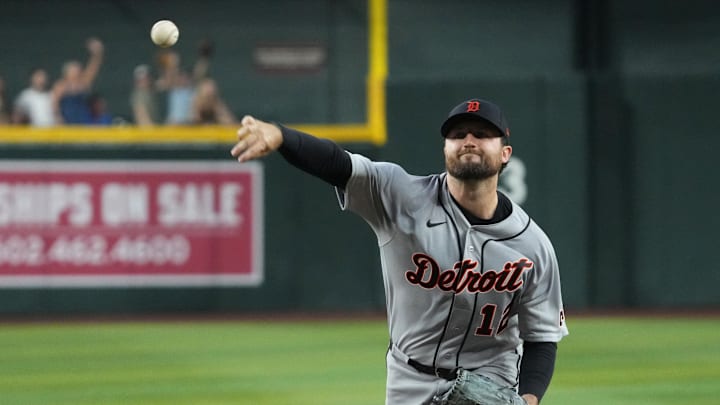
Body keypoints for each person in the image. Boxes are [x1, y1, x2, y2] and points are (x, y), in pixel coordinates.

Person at [230, 98, 568, 405]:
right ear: (445, 148)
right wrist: (280, 136)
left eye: (482, 134)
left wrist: (528, 400)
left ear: (505, 153)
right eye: (458, 134)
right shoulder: (401, 195)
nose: (468, 141)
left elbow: (542, 337)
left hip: (491, 382)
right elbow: (338, 164)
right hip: (410, 382)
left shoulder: (532, 245)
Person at [52, 37, 104, 124]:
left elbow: (93, 69)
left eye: (78, 70)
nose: (76, 72)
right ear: (67, 73)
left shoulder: (83, 83)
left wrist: (97, 53)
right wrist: (58, 119)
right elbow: (55, 104)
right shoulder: (61, 85)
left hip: (84, 119)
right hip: (67, 119)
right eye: (73, 70)